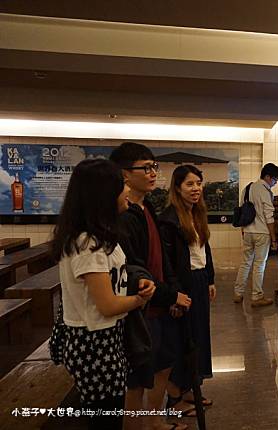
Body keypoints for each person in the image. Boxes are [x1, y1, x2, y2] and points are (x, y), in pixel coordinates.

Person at [51, 159, 156, 429]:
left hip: (107, 339)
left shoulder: (100, 237)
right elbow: (107, 305)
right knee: (104, 420)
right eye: (122, 186)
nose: (127, 191)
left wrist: (138, 283)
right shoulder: (88, 244)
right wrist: (140, 299)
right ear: (104, 195)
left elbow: (115, 277)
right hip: (94, 345)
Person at [110, 142, 192, 430]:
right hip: (141, 306)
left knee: (163, 363)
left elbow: (163, 260)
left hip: (160, 302)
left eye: (154, 167)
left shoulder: (147, 207)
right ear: (124, 174)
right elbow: (134, 268)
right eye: (145, 168)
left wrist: (173, 293)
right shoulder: (124, 215)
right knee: (137, 376)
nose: (153, 173)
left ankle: (154, 419)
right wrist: (169, 295)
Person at [158, 165, 216, 413]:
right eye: (189, 184)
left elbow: (204, 250)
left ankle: (191, 388)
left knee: (198, 337)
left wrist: (210, 279)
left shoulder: (197, 213)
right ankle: (174, 397)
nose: (196, 189)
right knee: (181, 339)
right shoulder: (169, 220)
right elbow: (167, 263)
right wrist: (174, 294)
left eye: (198, 183)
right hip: (184, 284)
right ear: (177, 187)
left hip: (199, 280)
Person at [233, 163, 278, 307]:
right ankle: (257, 296)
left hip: (248, 232)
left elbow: (242, 211)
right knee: (259, 265)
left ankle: (238, 293)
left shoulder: (248, 188)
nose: (275, 183)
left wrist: (243, 230)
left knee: (245, 263)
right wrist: (274, 238)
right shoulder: (265, 191)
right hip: (262, 233)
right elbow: (269, 216)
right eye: (274, 179)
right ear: (267, 177)